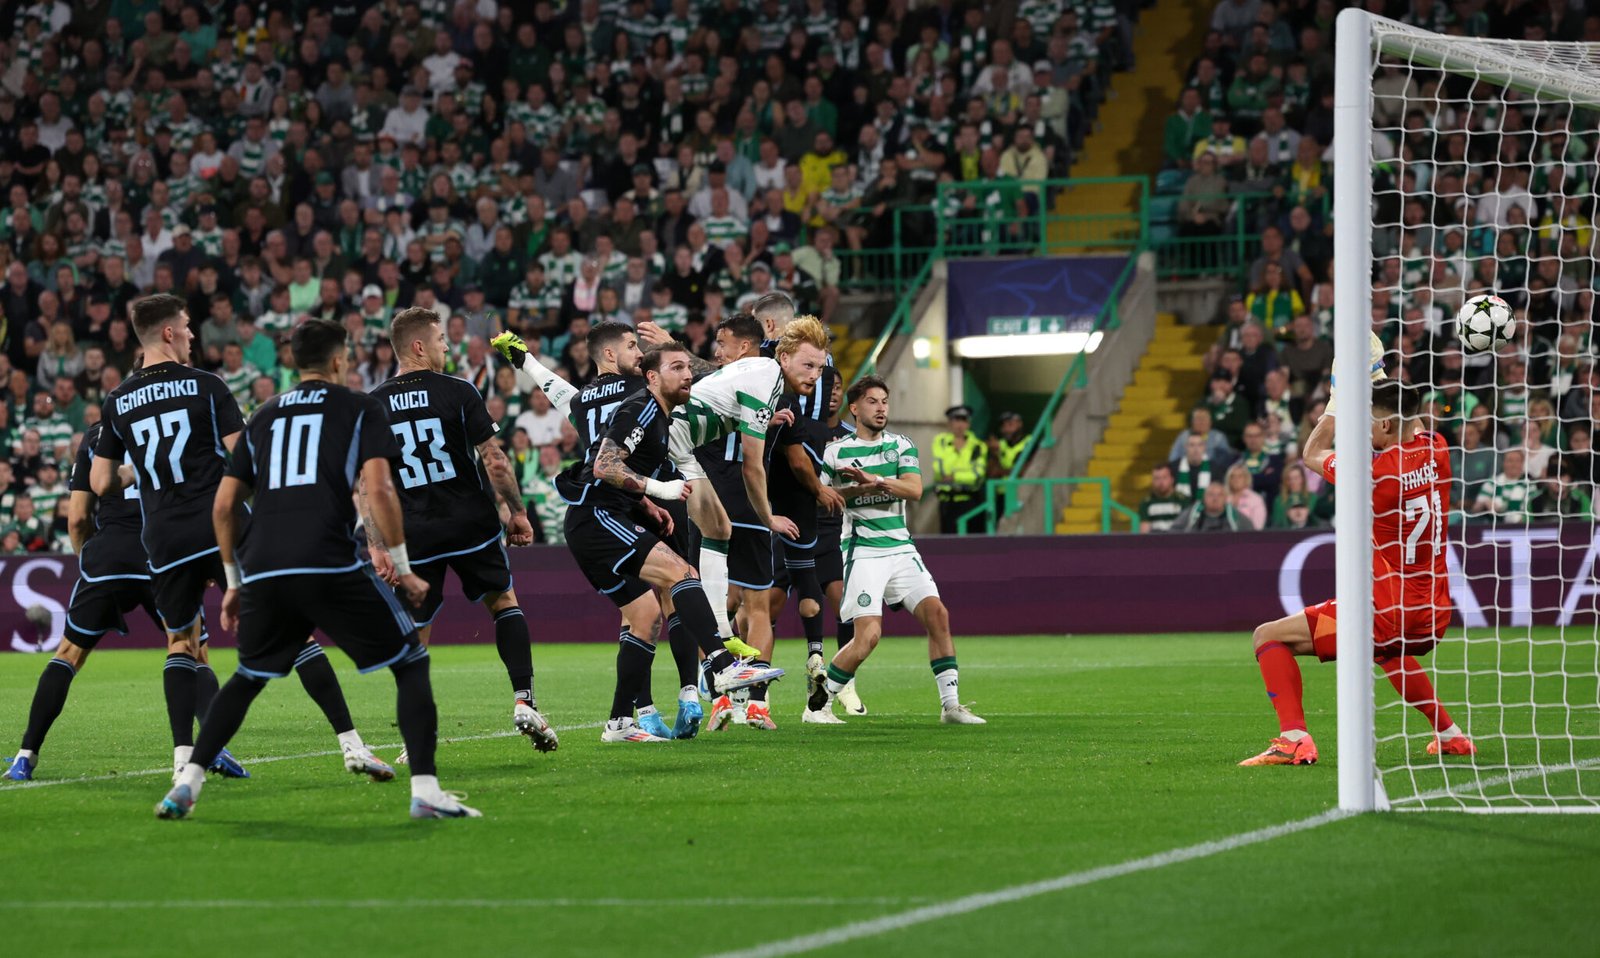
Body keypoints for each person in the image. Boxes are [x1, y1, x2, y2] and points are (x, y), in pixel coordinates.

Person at [157, 319, 477, 821]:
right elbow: (380, 490)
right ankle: (426, 790)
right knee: (411, 661)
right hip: (327, 560)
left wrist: (235, 581)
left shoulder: (263, 416)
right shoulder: (360, 408)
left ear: (292, 362)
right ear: (338, 360)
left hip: (263, 564)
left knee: (247, 676)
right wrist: (402, 566)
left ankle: (187, 784)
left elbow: (224, 506)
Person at [94, 295, 376, 782]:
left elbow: (101, 484)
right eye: (185, 327)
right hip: (221, 524)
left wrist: (143, 465)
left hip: (163, 536)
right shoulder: (207, 385)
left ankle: (183, 760)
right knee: (295, 630)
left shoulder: (117, 400)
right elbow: (245, 458)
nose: (191, 335)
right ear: (167, 333)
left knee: (181, 644)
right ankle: (351, 744)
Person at [1241, 380, 1475, 766]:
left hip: (1386, 611)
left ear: (1384, 427)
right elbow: (1408, 422)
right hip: (1434, 613)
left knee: (1267, 637)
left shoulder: (1373, 473)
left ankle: (1294, 739)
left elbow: (1312, 452)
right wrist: (1378, 378)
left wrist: (1336, 402)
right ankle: (1450, 735)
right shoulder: (1438, 449)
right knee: (1387, 652)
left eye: (1367, 423)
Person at [562, 342, 786, 742]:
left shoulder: (662, 418)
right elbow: (604, 465)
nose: (687, 375)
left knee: (646, 618)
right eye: (677, 367)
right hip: (596, 516)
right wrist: (659, 490)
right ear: (652, 377)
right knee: (682, 573)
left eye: (688, 367)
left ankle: (619, 724)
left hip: (605, 517)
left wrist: (647, 507)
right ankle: (720, 664)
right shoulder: (642, 409)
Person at [367, 308, 558, 759]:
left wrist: (376, 544)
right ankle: (524, 701)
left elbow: (369, 483)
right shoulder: (457, 391)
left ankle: (415, 737)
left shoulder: (372, 403)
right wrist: (517, 512)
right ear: (418, 346)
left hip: (413, 534)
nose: (447, 347)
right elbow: (494, 459)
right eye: (440, 339)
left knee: (417, 631)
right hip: (470, 523)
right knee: (503, 603)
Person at [803, 377, 984, 726]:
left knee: (938, 616)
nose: (881, 407)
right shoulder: (835, 452)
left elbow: (914, 490)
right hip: (863, 550)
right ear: (854, 408)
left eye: (884, 401)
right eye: (872, 401)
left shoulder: (901, 445)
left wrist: (876, 481)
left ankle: (950, 707)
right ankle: (816, 706)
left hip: (901, 549)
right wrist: (854, 488)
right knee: (868, 637)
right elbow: (823, 500)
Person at [556, 321, 703, 741]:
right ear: (608, 355)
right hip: (620, 500)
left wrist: (526, 360)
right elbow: (607, 462)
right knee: (679, 583)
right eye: (632, 346)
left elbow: (557, 391)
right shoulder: (641, 394)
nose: (639, 354)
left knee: (642, 613)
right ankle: (705, 677)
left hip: (625, 500)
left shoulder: (582, 400)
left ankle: (632, 715)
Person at [931, 404, 988, 534]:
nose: (960, 425)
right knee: (949, 545)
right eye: (956, 420)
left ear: (968, 423)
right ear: (949, 423)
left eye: (964, 420)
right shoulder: (940, 441)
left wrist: (955, 476)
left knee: (972, 544)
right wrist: (964, 473)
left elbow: (977, 475)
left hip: (970, 501)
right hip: (947, 502)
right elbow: (941, 469)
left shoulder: (978, 446)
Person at [1138, 463, 1187, 533]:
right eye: (1157, 478)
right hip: (1154, 542)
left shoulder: (1183, 500)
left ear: (1172, 479)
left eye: (1164, 477)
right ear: (1152, 481)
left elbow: (1187, 529)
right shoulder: (1146, 503)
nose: (1161, 482)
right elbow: (1144, 532)